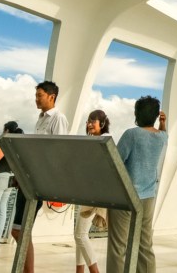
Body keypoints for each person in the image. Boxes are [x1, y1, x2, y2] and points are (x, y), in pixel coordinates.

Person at [12, 81, 69, 273]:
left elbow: (58, 152)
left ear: (51, 97)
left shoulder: (58, 119)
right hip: (29, 178)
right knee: (18, 229)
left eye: (40, 95)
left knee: (21, 229)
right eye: (36, 95)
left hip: (39, 182)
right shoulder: (40, 119)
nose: (36, 99)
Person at [107, 96, 168, 273]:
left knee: (118, 246)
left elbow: (116, 161)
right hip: (148, 197)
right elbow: (164, 133)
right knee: (145, 244)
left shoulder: (131, 135)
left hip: (126, 196)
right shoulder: (161, 138)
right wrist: (162, 123)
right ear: (156, 115)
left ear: (136, 113)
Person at [75, 109, 110, 273]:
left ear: (102, 124)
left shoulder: (105, 141)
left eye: (93, 121)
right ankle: (79, 270)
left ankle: (94, 271)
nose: (89, 124)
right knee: (80, 235)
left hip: (95, 193)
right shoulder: (91, 141)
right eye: (88, 121)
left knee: (80, 235)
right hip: (86, 191)